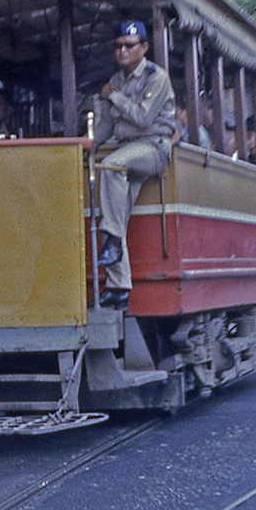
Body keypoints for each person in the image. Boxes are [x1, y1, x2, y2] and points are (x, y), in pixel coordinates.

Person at [92, 21, 179, 312]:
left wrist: (113, 95)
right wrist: (86, 145)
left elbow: (143, 118)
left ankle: (114, 243)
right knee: (115, 212)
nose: (122, 50)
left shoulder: (157, 76)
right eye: (118, 45)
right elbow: (106, 125)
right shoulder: (117, 77)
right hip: (129, 149)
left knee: (112, 166)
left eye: (129, 45)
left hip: (154, 147)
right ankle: (119, 288)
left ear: (143, 47)